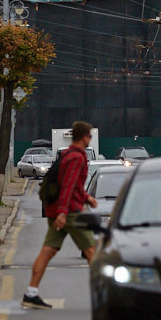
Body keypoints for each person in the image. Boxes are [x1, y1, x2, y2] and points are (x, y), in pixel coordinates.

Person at [23, 121, 99, 309]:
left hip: (57, 210)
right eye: (89, 136)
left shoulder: (68, 154)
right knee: (91, 251)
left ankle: (31, 293)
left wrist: (87, 197)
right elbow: (68, 186)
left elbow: (71, 185)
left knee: (48, 250)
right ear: (84, 137)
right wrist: (64, 212)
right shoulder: (76, 158)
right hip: (70, 213)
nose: (90, 139)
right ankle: (104, 296)